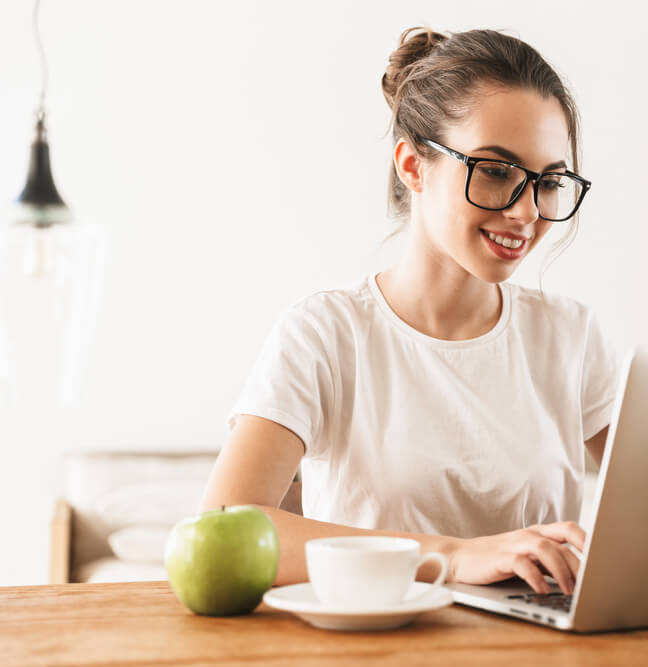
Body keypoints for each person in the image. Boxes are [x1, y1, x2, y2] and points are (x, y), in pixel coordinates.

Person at [201, 27, 622, 597]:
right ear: (413, 166)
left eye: (548, 181)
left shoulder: (570, 336)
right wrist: (454, 557)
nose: (526, 211)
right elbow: (225, 528)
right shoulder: (326, 334)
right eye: (496, 171)